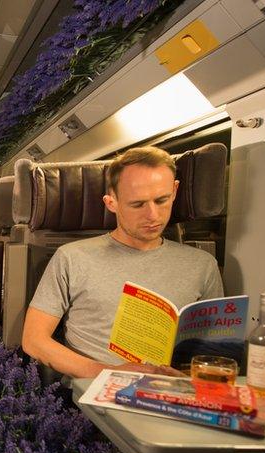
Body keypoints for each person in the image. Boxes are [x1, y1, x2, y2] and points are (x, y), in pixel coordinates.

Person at [22, 146, 224, 378]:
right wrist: (109, 373)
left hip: (174, 392)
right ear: (111, 203)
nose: (153, 216)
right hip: (96, 394)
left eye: (162, 200)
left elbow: (215, 350)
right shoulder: (71, 258)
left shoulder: (203, 265)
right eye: (137, 204)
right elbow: (33, 340)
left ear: (175, 190)